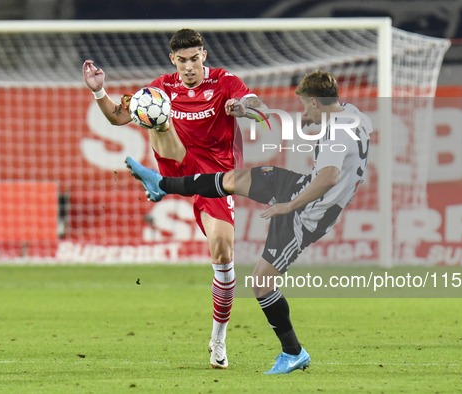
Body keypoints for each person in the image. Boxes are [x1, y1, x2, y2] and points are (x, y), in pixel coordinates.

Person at [124, 71, 372, 374]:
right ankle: (162, 184)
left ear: (316, 102)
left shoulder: (336, 134)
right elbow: (335, 138)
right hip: (299, 186)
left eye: (307, 106)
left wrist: (289, 206)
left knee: (261, 282)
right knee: (232, 178)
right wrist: (307, 119)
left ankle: (293, 352)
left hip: (308, 212)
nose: (305, 112)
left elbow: (330, 176)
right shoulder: (352, 115)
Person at [82, 28, 267, 369]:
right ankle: (160, 181)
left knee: (223, 251)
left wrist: (241, 107)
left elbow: (256, 104)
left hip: (215, 179)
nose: (189, 67)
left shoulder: (225, 82)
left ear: (204, 56)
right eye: (182, 61)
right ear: (173, 60)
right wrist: (100, 92)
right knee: (154, 110)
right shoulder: (163, 87)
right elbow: (118, 116)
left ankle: (218, 339)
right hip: (177, 160)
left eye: (194, 59)